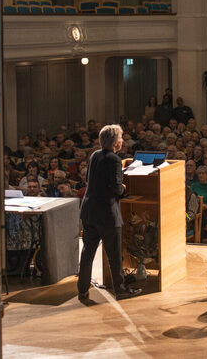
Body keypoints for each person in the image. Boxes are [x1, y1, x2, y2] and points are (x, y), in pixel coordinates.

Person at [77, 124, 140, 301]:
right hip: (106, 213)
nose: (122, 141)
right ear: (115, 142)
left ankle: (82, 290)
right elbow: (116, 187)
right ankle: (121, 289)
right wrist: (124, 189)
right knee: (114, 255)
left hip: (89, 210)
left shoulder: (94, 155)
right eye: (120, 138)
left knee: (87, 252)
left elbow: (91, 180)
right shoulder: (114, 159)